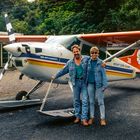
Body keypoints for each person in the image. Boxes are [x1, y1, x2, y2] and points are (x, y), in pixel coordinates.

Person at [53, 44, 89, 126]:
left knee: (85, 100)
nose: (76, 53)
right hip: (75, 83)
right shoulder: (70, 63)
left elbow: (95, 60)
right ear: (73, 53)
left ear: (79, 51)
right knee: (76, 101)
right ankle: (77, 116)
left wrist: (102, 63)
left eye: (77, 51)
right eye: (74, 52)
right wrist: (55, 76)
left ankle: (84, 119)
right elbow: (63, 71)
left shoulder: (86, 59)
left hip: (84, 83)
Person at [86, 46, 108, 126]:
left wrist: (105, 85)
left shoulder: (101, 63)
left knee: (100, 102)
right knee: (91, 102)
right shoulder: (87, 61)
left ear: (98, 54)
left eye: (96, 53)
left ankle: (102, 118)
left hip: (99, 85)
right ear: (90, 54)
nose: (94, 54)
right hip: (90, 84)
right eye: (92, 53)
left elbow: (104, 75)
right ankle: (91, 117)